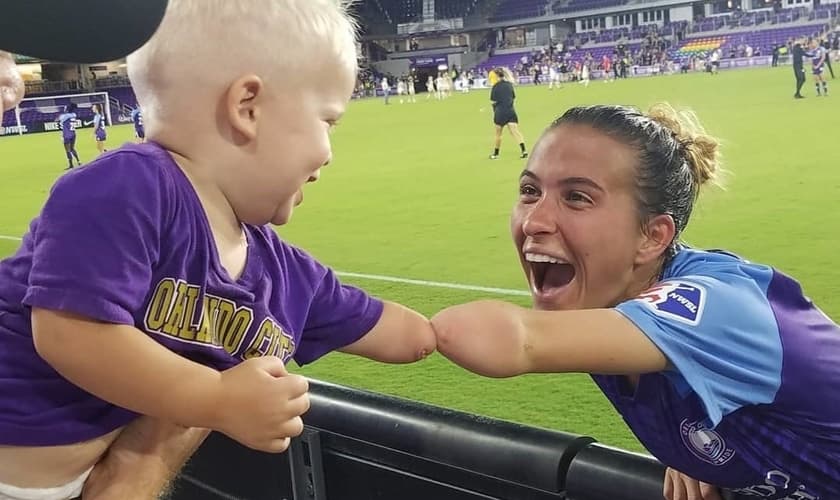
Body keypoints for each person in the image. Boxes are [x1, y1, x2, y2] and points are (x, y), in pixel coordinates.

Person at [0, 1, 438, 500]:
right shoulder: (126, 186)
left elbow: (383, 326)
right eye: (329, 121)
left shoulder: (281, 270)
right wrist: (217, 397)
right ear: (247, 107)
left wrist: (450, 334)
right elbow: (70, 334)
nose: (329, 153)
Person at [431, 104, 840, 499]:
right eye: (529, 191)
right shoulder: (603, 298)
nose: (534, 221)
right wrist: (689, 452)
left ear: (653, 237)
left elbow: (519, 340)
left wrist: (406, 330)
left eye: (577, 197)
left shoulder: (716, 308)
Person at [488, 68, 527, 160]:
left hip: (500, 112)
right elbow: (513, 97)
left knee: (498, 134)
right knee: (515, 132)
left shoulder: (495, 87)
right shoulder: (509, 85)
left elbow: (493, 101)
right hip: (510, 111)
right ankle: (524, 150)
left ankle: (496, 154)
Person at [57, 103, 82, 168]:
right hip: (73, 134)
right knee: (72, 148)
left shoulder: (65, 116)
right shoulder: (74, 115)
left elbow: (59, 120)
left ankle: (71, 164)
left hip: (67, 134)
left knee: (67, 150)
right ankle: (78, 161)